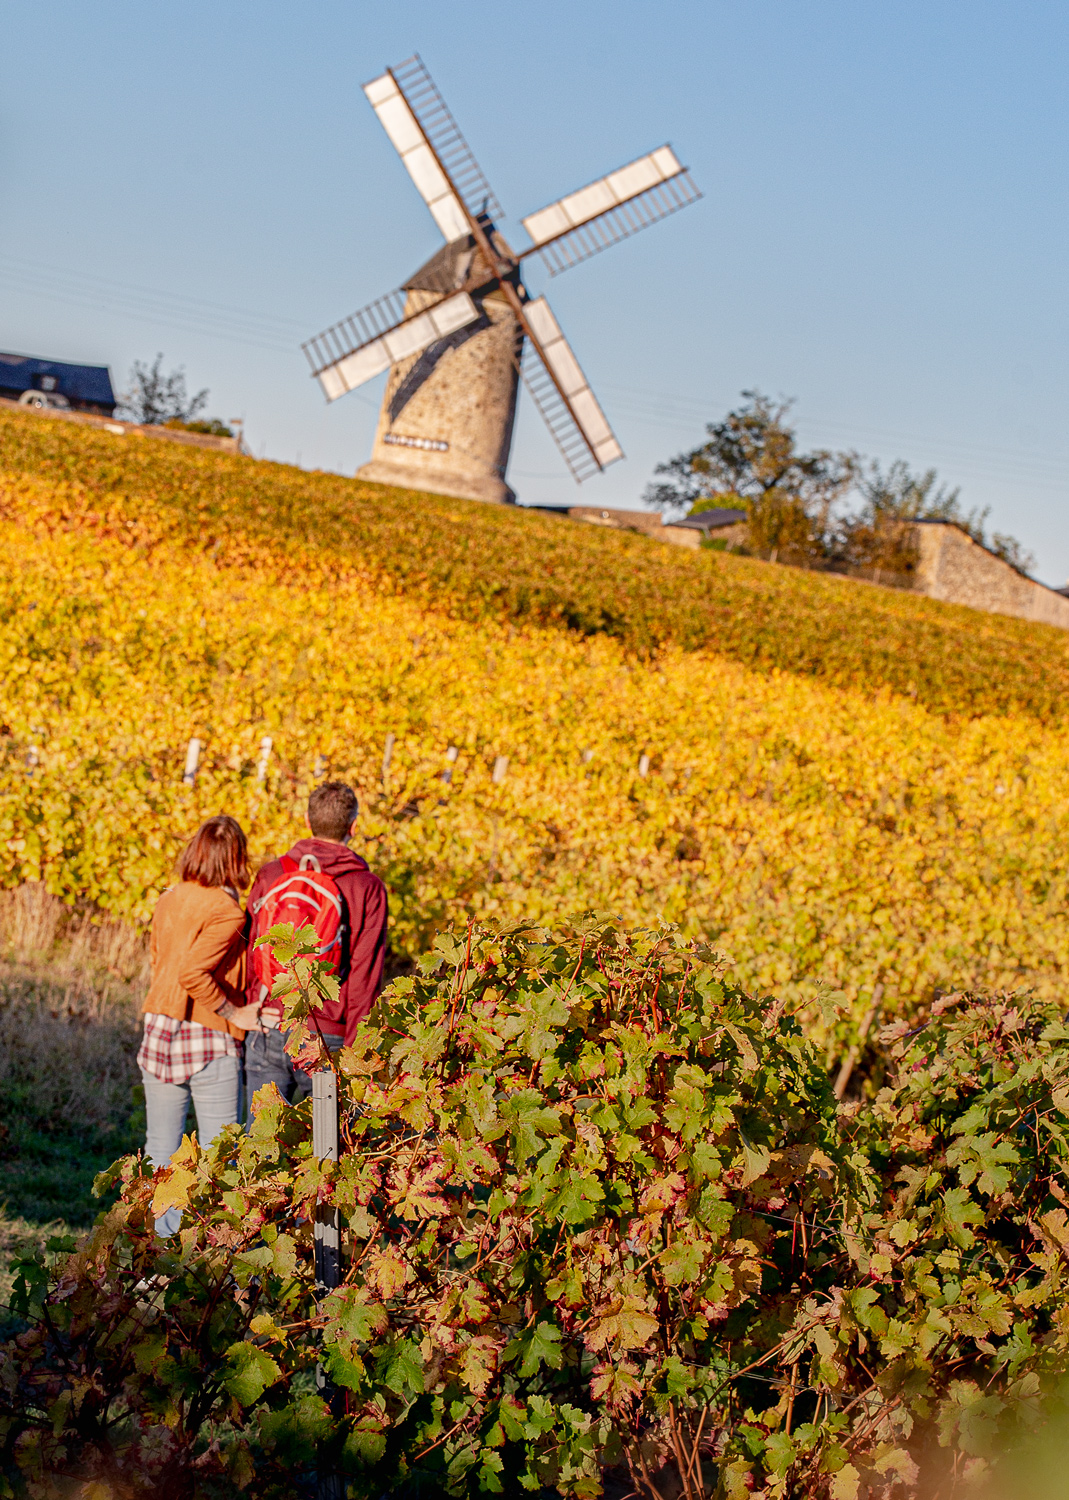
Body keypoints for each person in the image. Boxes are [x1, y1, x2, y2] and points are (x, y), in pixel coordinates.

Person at [138, 815, 262, 1234]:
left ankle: (159, 1259)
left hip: (159, 1029)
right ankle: (209, 1261)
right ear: (237, 859)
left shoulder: (169, 897)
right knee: (219, 1154)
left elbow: (160, 963)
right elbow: (192, 974)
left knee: (160, 1151)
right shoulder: (227, 910)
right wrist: (234, 1013)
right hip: (207, 1036)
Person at [243, 781, 388, 1114]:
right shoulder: (368, 887)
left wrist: (251, 1012)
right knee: (328, 1149)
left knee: (258, 1143)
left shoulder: (271, 874)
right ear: (354, 826)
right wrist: (356, 1055)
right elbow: (365, 979)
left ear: (307, 822)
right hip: (328, 1036)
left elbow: (253, 950)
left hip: (269, 1024)